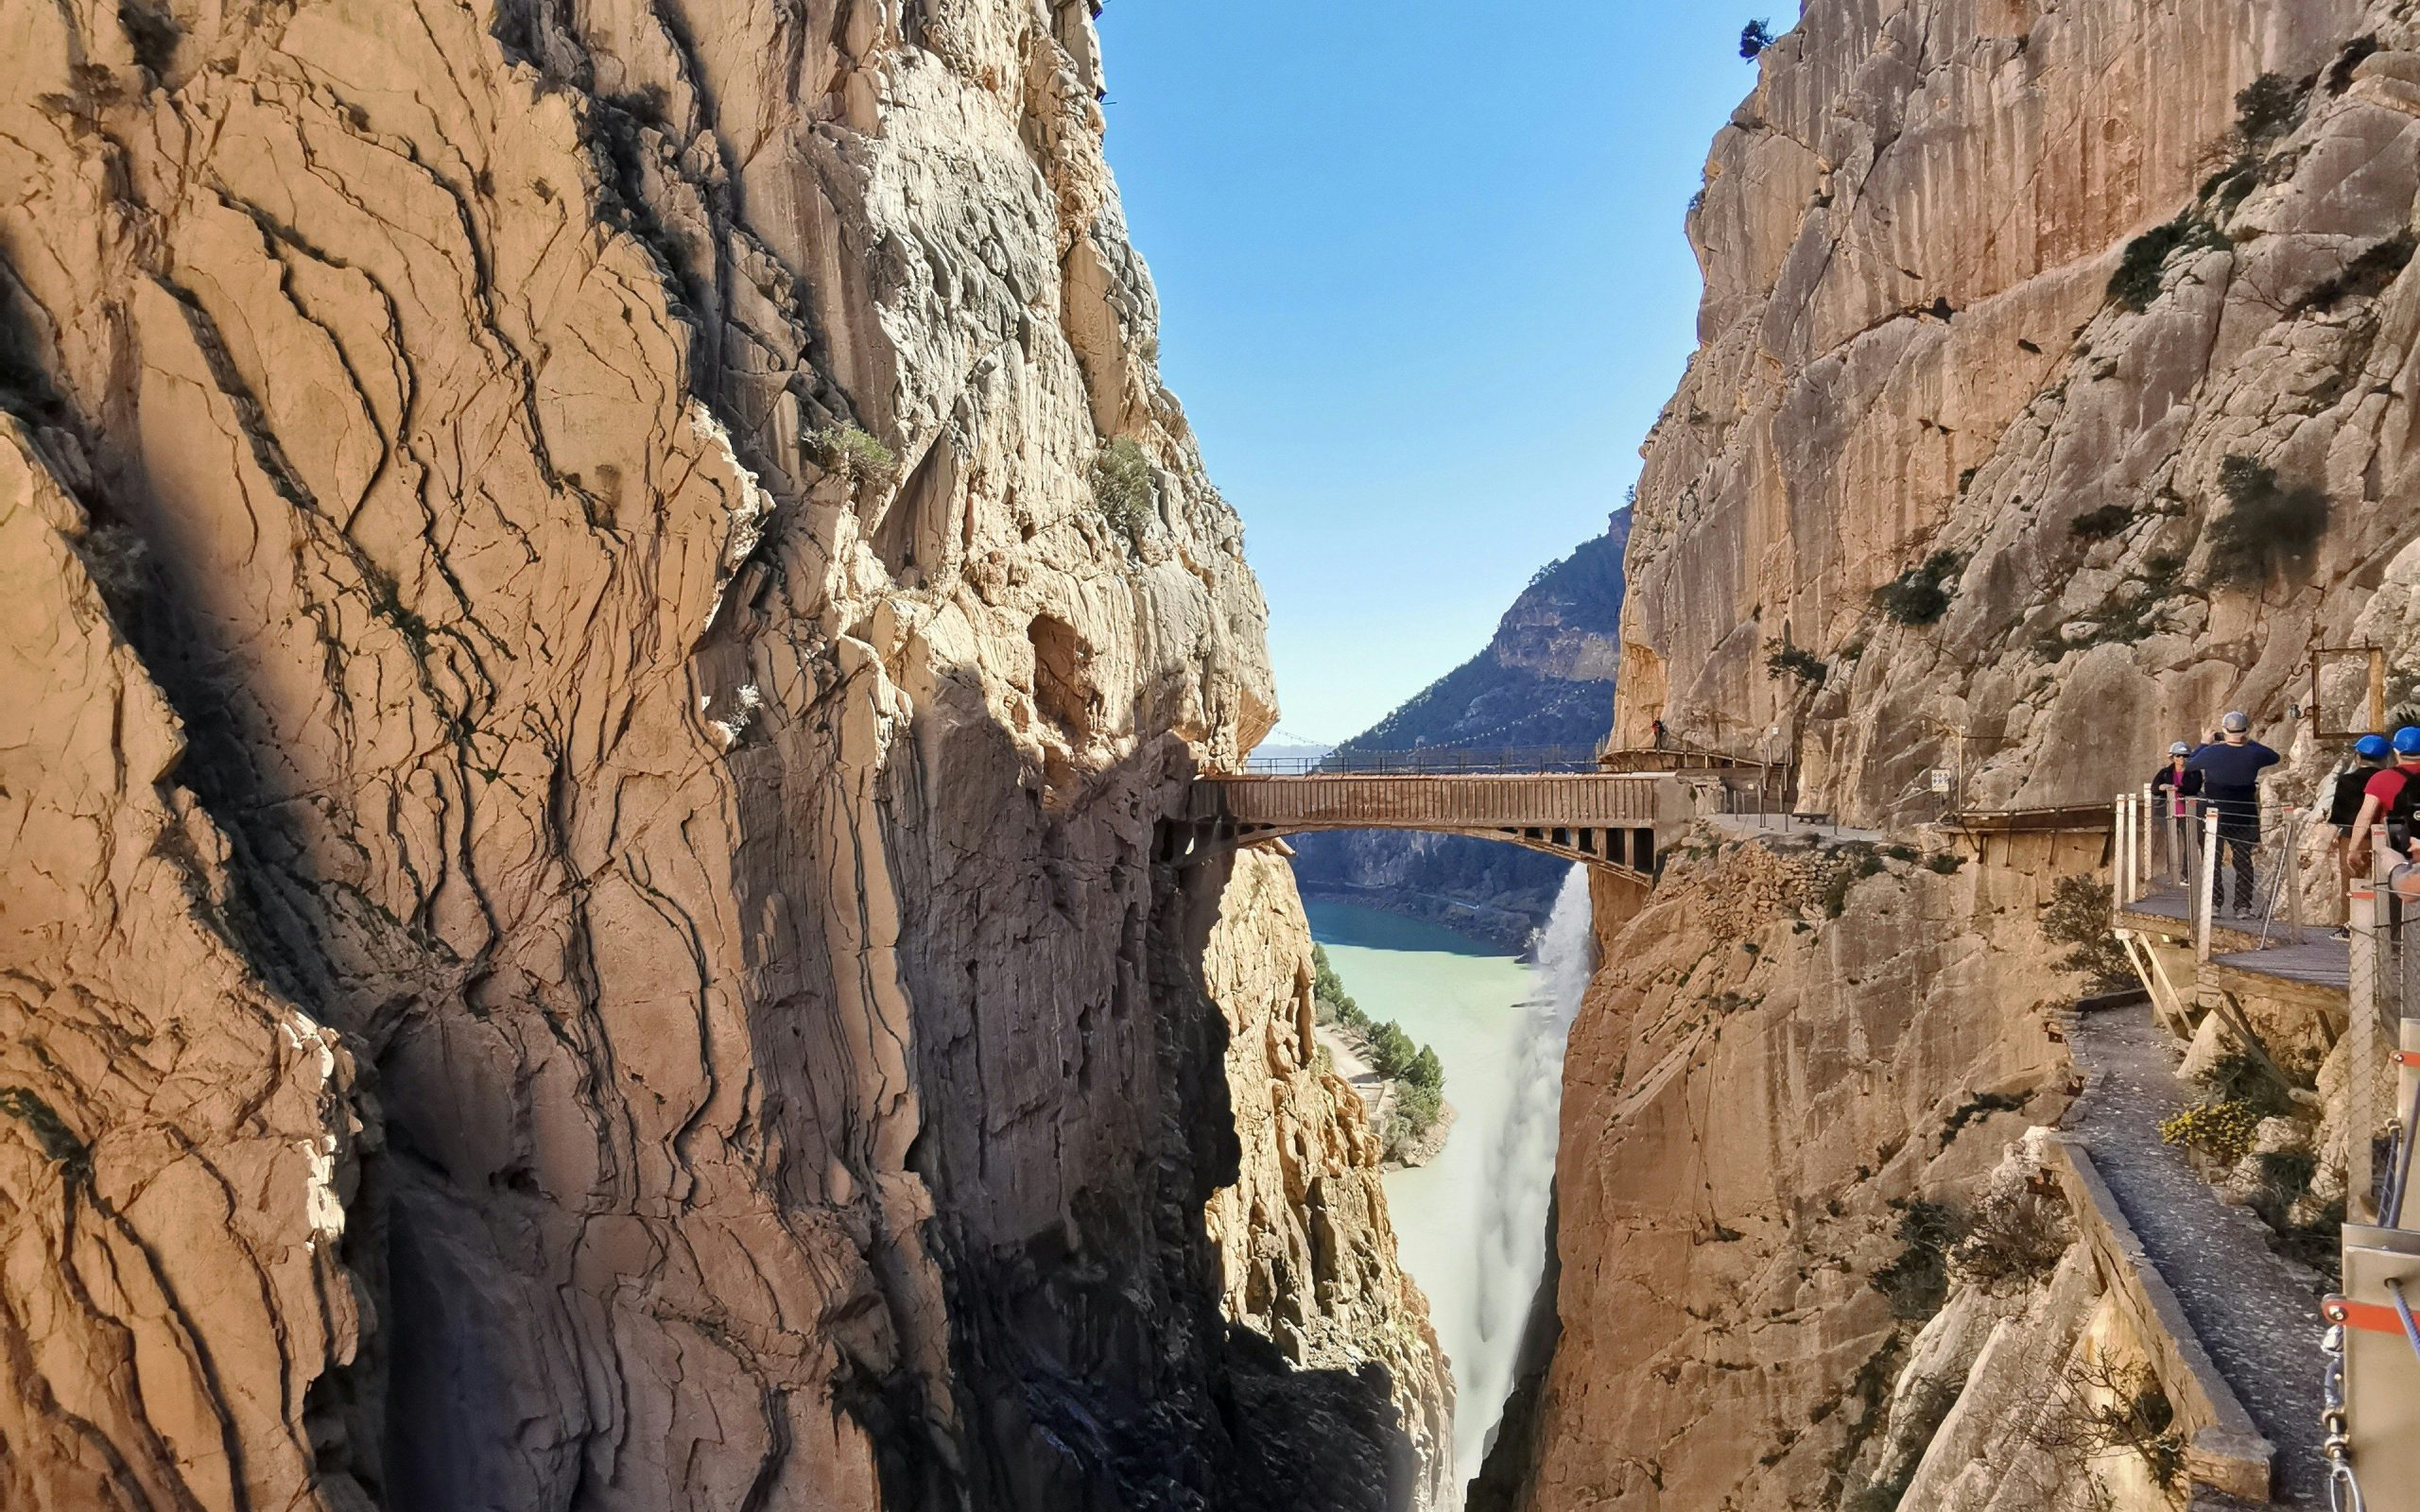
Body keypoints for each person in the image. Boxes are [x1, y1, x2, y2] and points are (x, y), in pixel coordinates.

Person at [2187, 711, 2281, 919]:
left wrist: (2204, 744)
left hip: (2215, 811)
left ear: (2224, 729)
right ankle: (2242, 906)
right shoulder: (2254, 753)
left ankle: (2214, 904)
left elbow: (2189, 764)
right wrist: (2248, 742)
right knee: (2243, 859)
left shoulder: (2211, 753)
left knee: (2213, 858)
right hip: (2243, 811)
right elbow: (2274, 756)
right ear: (2246, 730)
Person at [2321, 734, 2393, 934]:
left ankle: (2350, 925)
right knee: (2381, 882)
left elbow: (2340, 814)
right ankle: (2382, 924)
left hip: (2353, 836)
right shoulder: (2389, 779)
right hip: (2384, 835)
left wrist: (2331, 839)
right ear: (2385, 758)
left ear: (2358, 757)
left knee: (2352, 881)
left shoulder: (2347, 781)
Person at [2346, 727, 2420, 880]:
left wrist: (2353, 849)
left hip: (2401, 849)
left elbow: (2366, 816)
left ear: (2396, 751)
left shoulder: (2381, 779)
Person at [2150, 741, 2203, 885]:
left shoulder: (2194, 772)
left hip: (2189, 811)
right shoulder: (2165, 772)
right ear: (2173, 757)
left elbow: (2193, 788)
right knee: (2171, 843)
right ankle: (2172, 875)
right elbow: (2154, 788)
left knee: (2189, 842)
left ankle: (2186, 875)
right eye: (2179, 756)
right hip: (2171, 811)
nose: (2182, 759)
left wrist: (2175, 788)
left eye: (2185, 756)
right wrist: (2162, 787)